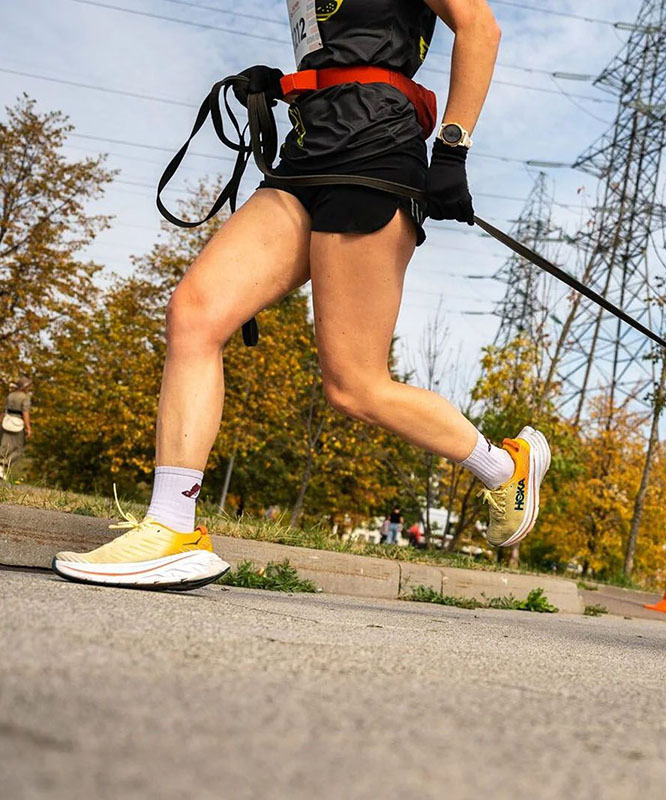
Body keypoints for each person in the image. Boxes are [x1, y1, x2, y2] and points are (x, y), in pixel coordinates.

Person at [51, 0, 549, 589]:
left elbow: (479, 27)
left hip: (375, 151)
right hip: (307, 153)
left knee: (354, 385)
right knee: (195, 311)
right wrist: (290, 87)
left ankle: (502, 465)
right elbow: (350, 48)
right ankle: (172, 526)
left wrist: (453, 150)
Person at [0, 375, 34, 481]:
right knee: (17, 448)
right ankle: (3, 467)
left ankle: (0, 467)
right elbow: (25, 413)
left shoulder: (11, 395)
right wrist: (28, 428)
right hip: (17, 423)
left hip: (7, 421)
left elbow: (4, 410)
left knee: (4, 445)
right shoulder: (25, 397)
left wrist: (1, 420)